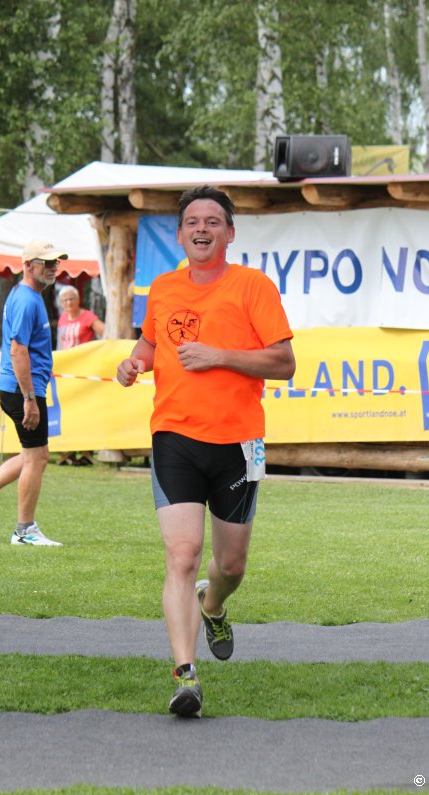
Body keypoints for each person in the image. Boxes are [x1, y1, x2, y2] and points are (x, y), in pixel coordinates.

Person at [117, 185, 296, 718]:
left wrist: (219, 356)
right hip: (174, 436)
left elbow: (284, 363)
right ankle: (185, 676)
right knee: (182, 554)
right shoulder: (164, 288)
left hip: (239, 443)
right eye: (192, 221)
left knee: (231, 564)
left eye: (213, 221)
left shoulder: (253, 287)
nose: (202, 229)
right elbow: (152, 344)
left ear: (229, 233)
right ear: (179, 234)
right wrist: (134, 363)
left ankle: (212, 603)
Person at [0, 239, 68, 546]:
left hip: (20, 388)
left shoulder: (28, 295)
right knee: (37, 457)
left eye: (56, 262)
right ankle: (24, 530)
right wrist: (30, 398)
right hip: (23, 390)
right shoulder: (27, 300)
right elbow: (18, 351)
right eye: (47, 263)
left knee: (32, 455)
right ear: (28, 265)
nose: (53, 268)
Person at [56, 284, 105, 466]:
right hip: (66, 371)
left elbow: (106, 332)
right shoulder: (62, 318)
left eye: (71, 299)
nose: (68, 303)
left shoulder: (87, 316)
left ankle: (86, 450)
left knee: (85, 408)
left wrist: (94, 353)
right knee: (69, 409)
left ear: (78, 300)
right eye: (65, 300)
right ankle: (68, 450)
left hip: (84, 370)